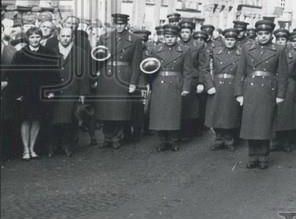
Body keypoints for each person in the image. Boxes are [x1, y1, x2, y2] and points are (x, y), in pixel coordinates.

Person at [236, 20, 288, 169]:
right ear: (256, 35)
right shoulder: (247, 48)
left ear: (271, 34)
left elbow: (283, 74)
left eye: (266, 34)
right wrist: (239, 93)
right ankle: (252, 156)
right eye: (260, 34)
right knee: (251, 124)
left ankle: (264, 156)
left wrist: (280, 94)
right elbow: (240, 72)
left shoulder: (278, 49)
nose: (263, 37)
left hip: (268, 90)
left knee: (264, 124)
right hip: (250, 90)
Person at [93, 13, 143, 149]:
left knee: (120, 109)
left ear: (126, 24)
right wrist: (96, 76)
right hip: (106, 75)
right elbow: (97, 58)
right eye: (117, 23)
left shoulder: (135, 39)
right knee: (106, 108)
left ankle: (116, 137)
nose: (119, 26)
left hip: (124, 75)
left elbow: (136, 63)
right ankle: (107, 136)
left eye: (121, 24)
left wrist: (133, 82)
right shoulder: (104, 37)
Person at [10, 27, 61, 160]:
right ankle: (25, 149)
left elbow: (54, 74)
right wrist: (17, 93)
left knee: (37, 120)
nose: (35, 40)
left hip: (41, 92)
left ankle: (32, 148)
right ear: (28, 39)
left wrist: (51, 91)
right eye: (32, 37)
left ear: (41, 38)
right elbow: (14, 76)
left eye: (37, 37)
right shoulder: (20, 54)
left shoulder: (48, 53)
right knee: (26, 120)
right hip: (25, 93)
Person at [146, 24, 196, 152]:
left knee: (173, 114)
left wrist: (186, 87)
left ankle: (173, 140)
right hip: (159, 84)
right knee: (160, 114)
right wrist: (149, 84)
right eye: (167, 37)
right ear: (163, 37)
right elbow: (149, 69)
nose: (169, 39)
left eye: (172, 37)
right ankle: (162, 141)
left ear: (176, 37)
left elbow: (187, 71)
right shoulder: (155, 50)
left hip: (176, 84)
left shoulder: (184, 50)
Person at [47, 26, 91, 156]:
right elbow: (46, 74)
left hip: (72, 90)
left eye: (68, 36)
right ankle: (53, 145)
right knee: (54, 120)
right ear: (59, 37)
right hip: (54, 91)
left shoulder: (81, 53)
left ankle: (67, 145)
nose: (65, 39)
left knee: (69, 119)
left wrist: (83, 93)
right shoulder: (51, 52)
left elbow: (84, 75)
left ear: (72, 37)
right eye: (63, 36)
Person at [203, 28, 242, 150]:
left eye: (232, 40)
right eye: (228, 39)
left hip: (232, 86)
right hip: (217, 86)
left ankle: (229, 139)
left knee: (230, 114)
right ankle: (218, 139)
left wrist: (240, 90)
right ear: (224, 39)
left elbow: (243, 73)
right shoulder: (215, 52)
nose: (230, 42)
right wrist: (209, 85)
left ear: (236, 41)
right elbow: (205, 70)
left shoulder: (241, 53)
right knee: (216, 113)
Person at [275, 29, 296, 152]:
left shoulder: (295, 56)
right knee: (275, 114)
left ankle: (286, 141)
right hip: (274, 86)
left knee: (288, 115)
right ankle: (275, 140)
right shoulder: (272, 53)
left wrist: (293, 86)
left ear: (287, 41)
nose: (280, 42)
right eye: (278, 39)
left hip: (289, 87)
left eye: (283, 40)